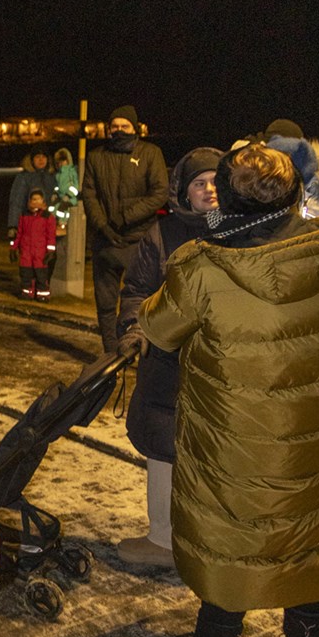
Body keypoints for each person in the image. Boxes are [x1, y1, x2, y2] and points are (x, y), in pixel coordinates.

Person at [139, 146, 319, 637]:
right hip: (311, 429)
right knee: (307, 528)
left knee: (231, 533)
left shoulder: (204, 265)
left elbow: (159, 328)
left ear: (226, 197)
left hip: (232, 434)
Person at [115, 148, 222, 566]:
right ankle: (162, 538)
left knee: (217, 451)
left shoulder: (239, 231)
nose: (209, 190)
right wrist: (134, 329)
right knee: (163, 448)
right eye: (199, 183)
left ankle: (209, 537)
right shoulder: (162, 234)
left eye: (216, 181)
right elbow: (137, 290)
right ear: (183, 191)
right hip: (166, 362)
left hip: (219, 363)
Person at [81, 106, 167, 352]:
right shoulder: (96, 157)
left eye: (124, 126)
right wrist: (103, 225)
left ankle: (137, 348)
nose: (119, 130)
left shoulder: (150, 153)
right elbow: (89, 194)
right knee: (105, 303)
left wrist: (125, 218)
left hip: (140, 240)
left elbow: (159, 192)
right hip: (105, 240)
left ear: (134, 128)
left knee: (141, 300)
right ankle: (111, 352)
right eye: (115, 126)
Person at [14, 189, 57, 300]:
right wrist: (14, 247)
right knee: (26, 274)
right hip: (26, 252)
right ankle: (26, 293)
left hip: (40, 252)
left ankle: (42, 294)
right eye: (34, 199)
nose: (36, 201)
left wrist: (50, 251)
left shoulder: (48, 217)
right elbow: (19, 233)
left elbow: (50, 235)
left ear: (43, 200)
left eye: (38, 199)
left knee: (41, 274)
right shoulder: (24, 215)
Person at [7, 146, 56, 239]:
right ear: (32, 160)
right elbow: (17, 201)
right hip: (30, 223)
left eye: (43, 157)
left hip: (50, 224)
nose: (41, 160)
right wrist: (13, 226)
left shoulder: (53, 177)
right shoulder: (24, 177)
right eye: (37, 157)